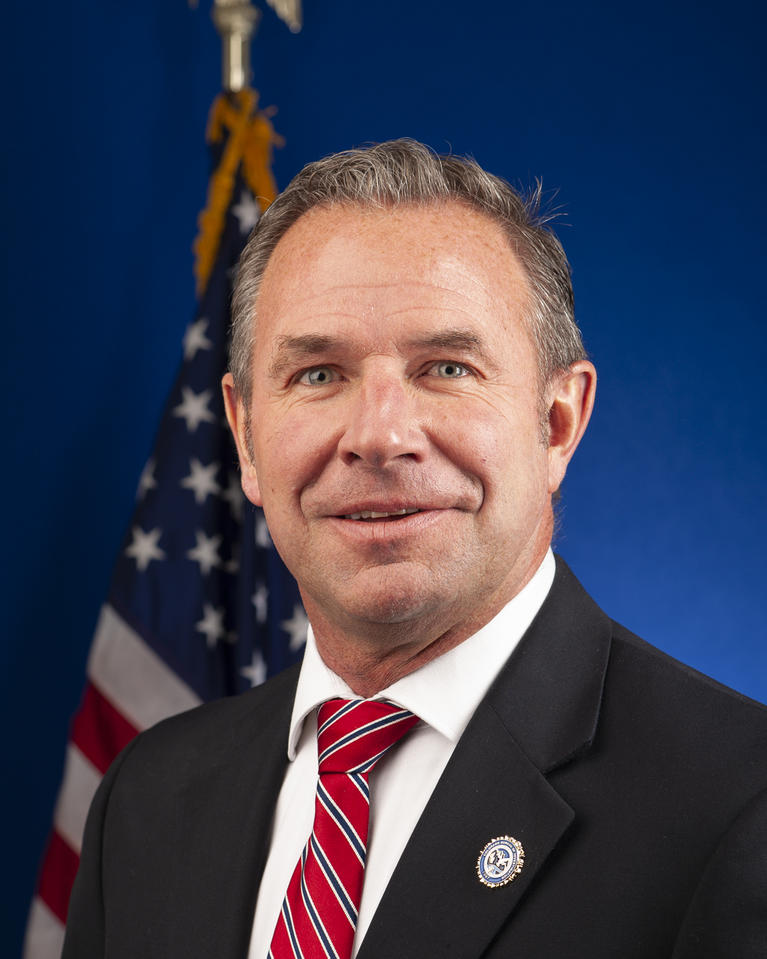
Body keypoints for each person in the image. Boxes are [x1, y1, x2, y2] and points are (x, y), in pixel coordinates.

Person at [63, 140, 767, 958]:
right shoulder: (145, 800)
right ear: (246, 437)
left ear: (556, 423)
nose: (379, 436)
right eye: (319, 374)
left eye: (446, 367)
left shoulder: (738, 806)